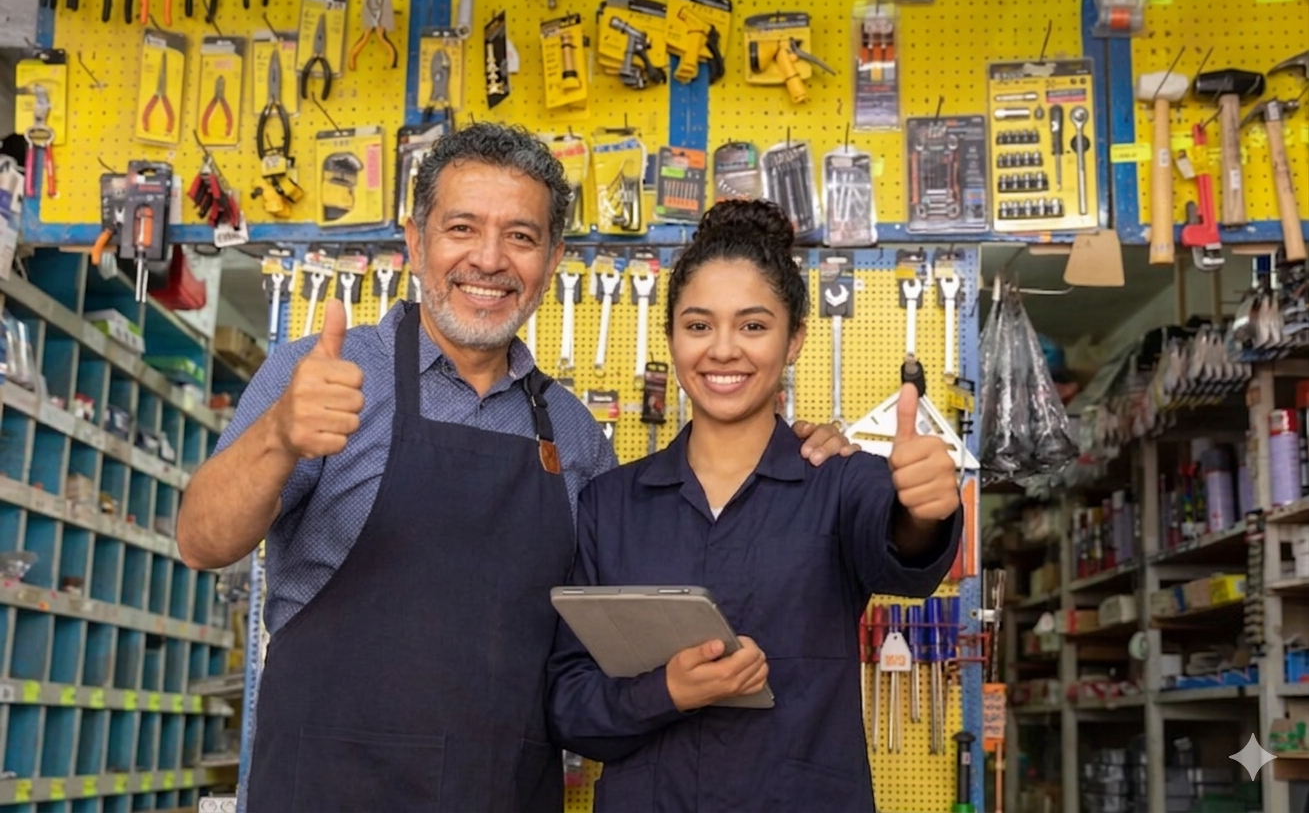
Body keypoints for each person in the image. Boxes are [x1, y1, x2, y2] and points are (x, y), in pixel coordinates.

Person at [175, 123, 854, 812]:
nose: (489, 259)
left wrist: (793, 450)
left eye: (521, 237)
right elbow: (201, 542)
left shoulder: (576, 436)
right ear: (415, 241)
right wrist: (278, 438)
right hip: (324, 791)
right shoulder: (322, 375)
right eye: (462, 228)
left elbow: (607, 656)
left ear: (552, 259)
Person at [546, 199, 963, 813]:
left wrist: (924, 511)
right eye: (698, 326)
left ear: (794, 340)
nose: (722, 350)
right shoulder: (611, 505)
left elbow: (902, 553)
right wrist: (665, 692)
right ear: (671, 338)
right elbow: (569, 706)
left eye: (753, 326)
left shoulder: (841, 484)